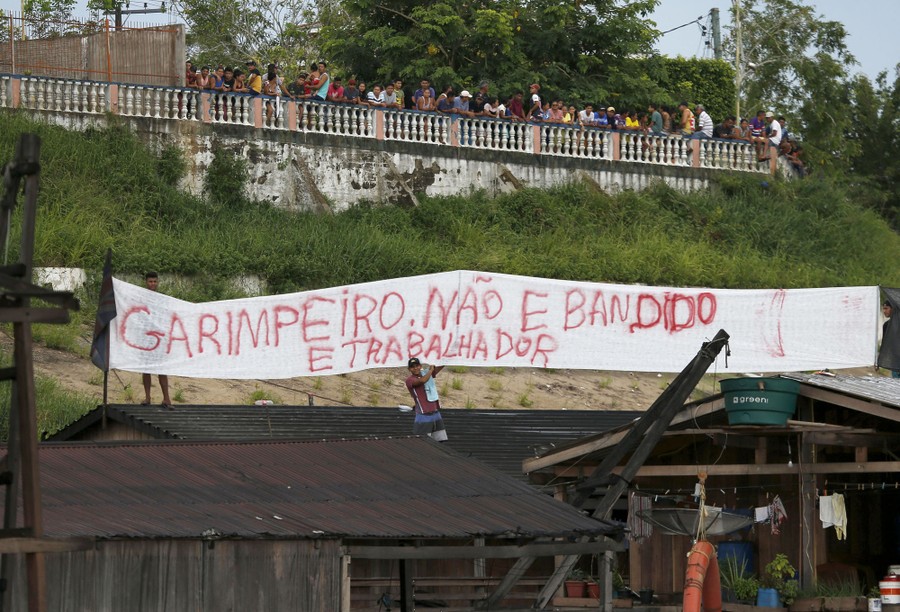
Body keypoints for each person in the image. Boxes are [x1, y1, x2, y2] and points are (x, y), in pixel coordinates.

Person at [141, 272, 173, 409]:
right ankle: (147, 397)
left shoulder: (162, 299)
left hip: (159, 339)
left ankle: (167, 399)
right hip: (146, 338)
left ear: (157, 282)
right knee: (146, 369)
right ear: (146, 282)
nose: (152, 284)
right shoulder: (141, 297)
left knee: (162, 369)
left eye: (155, 281)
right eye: (150, 281)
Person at [405, 357, 448, 441]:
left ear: (420, 366)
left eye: (417, 365)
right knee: (421, 441)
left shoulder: (426, 374)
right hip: (423, 414)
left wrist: (445, 359)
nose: (415, 368)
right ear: (409, 369)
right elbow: (422, 381)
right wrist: (430, 370)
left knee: (440, 440)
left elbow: (439, 367)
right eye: (412, 367)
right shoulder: (410, 380)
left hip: (435, 412)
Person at [882, 301, 900, 378]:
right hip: (895, 363)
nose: (884, 311)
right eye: (883, 309)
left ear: (893, 309)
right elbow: (885, 346)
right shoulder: (886, 325)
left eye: (886, 308)